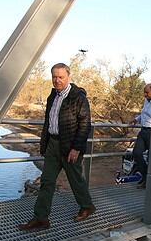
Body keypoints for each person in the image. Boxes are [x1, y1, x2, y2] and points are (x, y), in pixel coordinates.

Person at [18, 63, 95, 230]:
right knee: (47, 181)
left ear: (68, 77)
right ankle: (41, 218)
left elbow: (85, 125)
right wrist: (44, 144)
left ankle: (87, 206)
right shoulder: (52, 96)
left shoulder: (78, 98)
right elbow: (48, 122)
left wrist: (76, 148)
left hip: (70, 145)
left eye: (61, 77)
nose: (57, 80)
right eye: (54, 77)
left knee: (75, 180)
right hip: (53, 144)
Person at [131, 84, 151, 189]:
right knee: (136, 153)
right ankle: (145, 175)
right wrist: (136, 119)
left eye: (147, 92)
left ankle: (149, 181)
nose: (145, 95)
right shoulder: (146, 101)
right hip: (143, 130)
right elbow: (144, 114)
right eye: (144, 92)